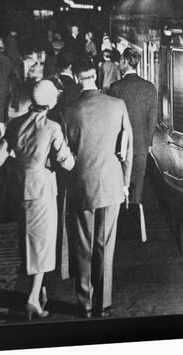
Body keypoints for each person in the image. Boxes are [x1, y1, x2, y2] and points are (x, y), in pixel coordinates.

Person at [0, 80, 75, 320]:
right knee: (43, 244)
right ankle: (32, 299)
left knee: (27, 240)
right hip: (42, 191)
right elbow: (66, 162)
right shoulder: (52, 127)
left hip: (20, 190)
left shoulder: (15, 124)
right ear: (50, 103)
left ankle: (40, 293)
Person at [63, 59, 133, 318]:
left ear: (76, 76)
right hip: (112, 184)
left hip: (81, 186)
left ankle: (85, 302)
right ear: (97, 75)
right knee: (106, 244)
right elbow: (129, 146)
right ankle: (104, 302)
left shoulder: (69, 110)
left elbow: (65, 153)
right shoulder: (117, 105)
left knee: (83, 246)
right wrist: (126, 182)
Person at [109, 47, 157, 235]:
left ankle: (119, 223)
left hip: (120, 143)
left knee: (121, 182)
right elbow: (152, 119)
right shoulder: (149, 87)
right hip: (141, 144)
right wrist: (148, 143)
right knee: (138, 183)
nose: (119, 63)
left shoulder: (116, 88)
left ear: (126, 62)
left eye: (121, 60)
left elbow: (112, 118)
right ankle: (135, 226)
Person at [5, 30, 22, 112]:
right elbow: (14, 53)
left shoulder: (9, 39)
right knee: (15, 88)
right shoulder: (11, 40)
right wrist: (19, 57)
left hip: (10, 69)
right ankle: (15, 106)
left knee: (11, 88)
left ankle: (12, 105)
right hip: (14, 69)